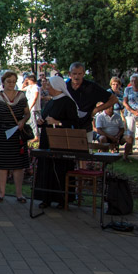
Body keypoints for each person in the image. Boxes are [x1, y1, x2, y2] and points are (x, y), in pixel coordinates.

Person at [33, 76, 79, 208]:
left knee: (60, 169)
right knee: (46, 168)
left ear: (57, 87)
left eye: (49, 86)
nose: (47, 88)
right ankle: (46, 198)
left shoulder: (68, 103)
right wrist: (41, 122)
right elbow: (46, 118)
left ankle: (61, 199)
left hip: (61, 142)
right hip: (47, 140)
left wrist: (58, 122)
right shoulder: (51, 102)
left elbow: (74, 123)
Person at [0, 72, 30, 203]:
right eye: (8, 81)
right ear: (3, 82)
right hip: (0, 134)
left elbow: (27, 114)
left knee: (18, 165)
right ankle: (1, 193)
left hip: (17, 135)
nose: (11, 83)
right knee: (2, 165)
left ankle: (19, 194)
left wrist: (23, 121)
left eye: (13, 81)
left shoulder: (21, 96)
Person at [66, 62, 116, 138]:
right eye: (74, 73)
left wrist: (97, 109)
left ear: (83, 73)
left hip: (85, 125)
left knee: (86, 149)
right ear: (69, 74)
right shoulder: (65, 86)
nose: (77, 76)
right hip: (68, 126)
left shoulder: (91, 87)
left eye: (79, 74)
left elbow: (113, 99)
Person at [22, 75, 41, 142]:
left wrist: (31, 107)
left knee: (34, 122)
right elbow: (22, 89)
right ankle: (36, 135)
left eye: (28, 80)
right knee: (33, 122)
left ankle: (36, 136)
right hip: (30, 107)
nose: (28, 82)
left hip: (34, 108)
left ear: (31, 80)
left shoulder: (36, 87)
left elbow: (35, 98)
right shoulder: (30, 87)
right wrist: (24, 82)